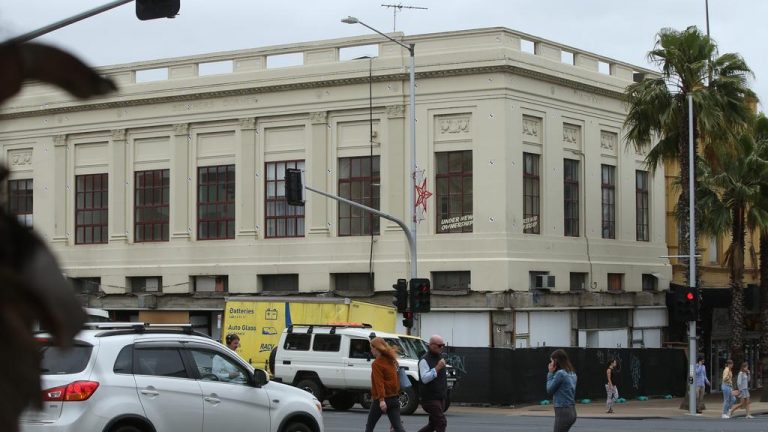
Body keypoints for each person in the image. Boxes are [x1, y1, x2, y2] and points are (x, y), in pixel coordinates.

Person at [364, 337, 406, 432]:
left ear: (376, 348)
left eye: (371, 347)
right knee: (398, 427)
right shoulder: (392, 360)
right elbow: (396, 379)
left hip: (381, 400)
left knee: (369, 426)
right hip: (394, 398)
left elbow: (379, 383)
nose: (371, 350)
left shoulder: (376, 364)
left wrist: (382, 400)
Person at [417, 335, 448, 432]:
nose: (441, 347)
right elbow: (425, 379)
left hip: (440, 397)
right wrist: (437, 368)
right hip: (429, 398)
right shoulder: (424, 360)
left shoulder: (440, 357)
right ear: (431, 345)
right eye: (439, 345)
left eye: (443, 345)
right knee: (441, 422)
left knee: (433, 425)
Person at [546, 349, 578, 432]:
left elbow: (549, 389)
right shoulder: (572, 373)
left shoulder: (560, 373)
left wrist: (550, 373)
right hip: (571, 410)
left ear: (556, 361)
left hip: (563, 411)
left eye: (551, 361)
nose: (550, 364)